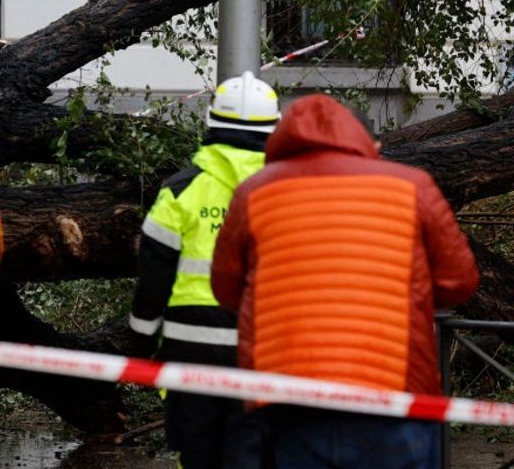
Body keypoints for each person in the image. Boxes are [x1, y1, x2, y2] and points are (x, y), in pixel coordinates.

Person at [212, 94, 478, 469]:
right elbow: (460, 282)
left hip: (289, 396)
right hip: (393, 392)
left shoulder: (254, 192)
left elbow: (225, 290)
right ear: (372, 146)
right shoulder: (412, 186)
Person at [126, 71, 280, 469]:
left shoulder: (180, 190)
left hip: (190, 352)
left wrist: (140, 342)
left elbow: (154, 273)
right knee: (251, 453)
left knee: (197, 456)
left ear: (211, 124)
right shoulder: (287, 195)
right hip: (261, 348)